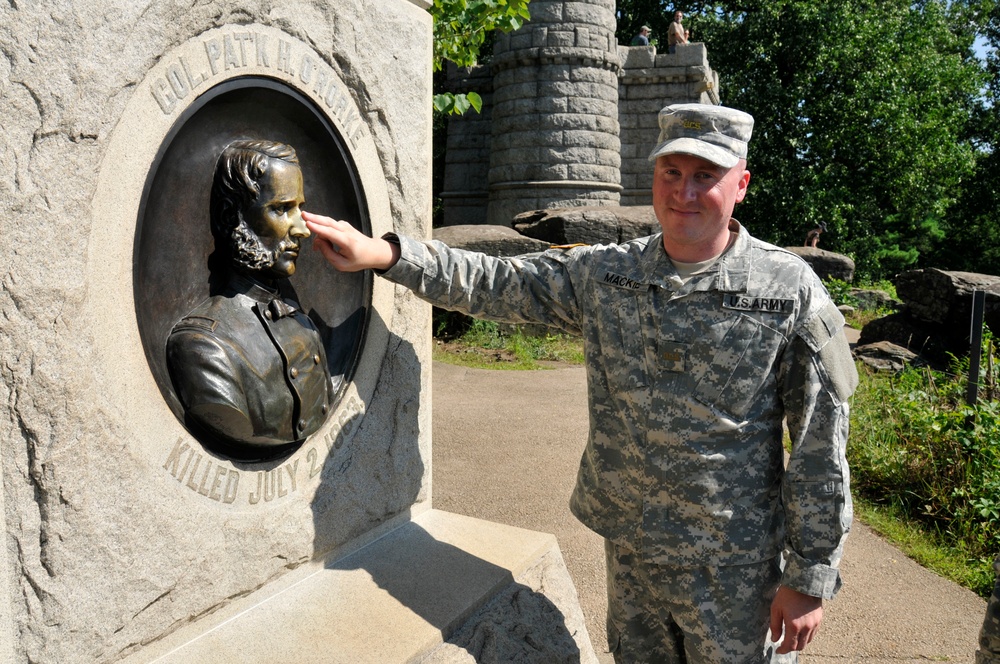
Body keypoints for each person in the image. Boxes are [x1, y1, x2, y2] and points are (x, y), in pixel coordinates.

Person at [303, 103, 857, 663]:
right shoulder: (609, 274)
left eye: (705, 177)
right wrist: (388, 255)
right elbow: (500, 281)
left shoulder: (789, 291)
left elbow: (819, 443)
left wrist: (809, 575)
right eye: (672, 173)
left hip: (735, 570)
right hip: (632, 554)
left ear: (741, 183)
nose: (684, 192)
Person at [166, 139, 332, 461]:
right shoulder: (203, 346)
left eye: (299, 208)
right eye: (282, 209)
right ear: (233, 216)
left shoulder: (304, 326)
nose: (302, 229)